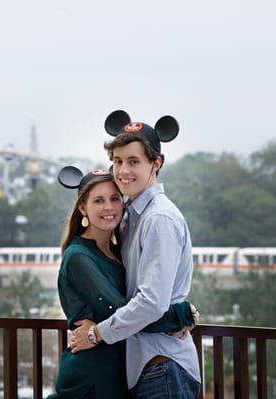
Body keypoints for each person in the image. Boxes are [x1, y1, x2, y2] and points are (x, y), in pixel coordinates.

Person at [71, 110, 201, 398]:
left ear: (156, 163)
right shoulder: (132, 216)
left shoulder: (158, 219)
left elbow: (152, 302)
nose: (123, 171)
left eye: (133, 161)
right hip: (148, 366)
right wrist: (181, 313)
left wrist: (98, 333)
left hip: (163, 366)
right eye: (117, 161)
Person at [48, 165, 196, 399]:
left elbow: (137, 309)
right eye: (98, 201)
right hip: (92, 375)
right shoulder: (79, 257)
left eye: (115, 198)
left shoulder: (119, 251)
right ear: (83, 208)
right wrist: (180, 315)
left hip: (119, 372)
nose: (108, 207)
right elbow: (124, 312)